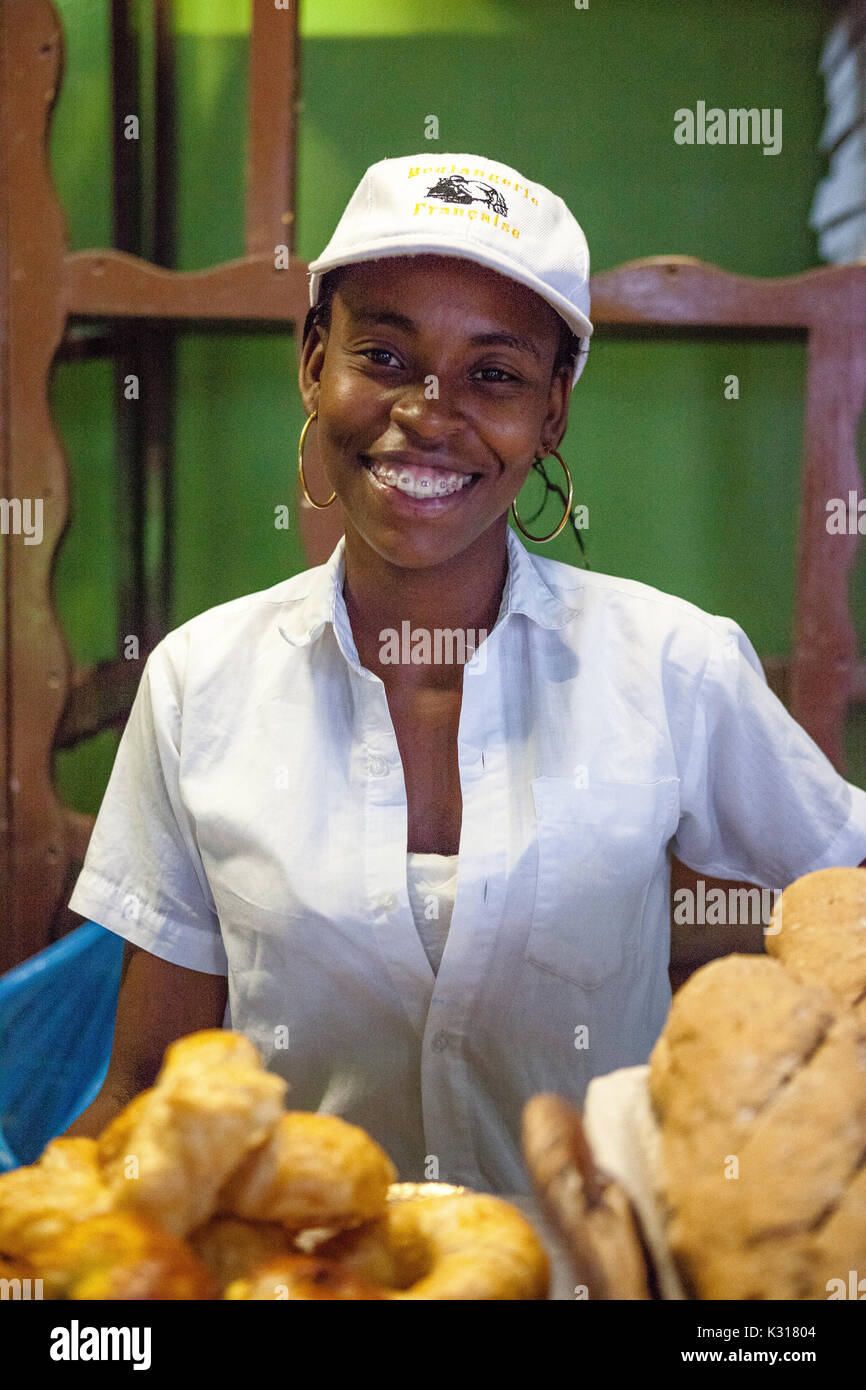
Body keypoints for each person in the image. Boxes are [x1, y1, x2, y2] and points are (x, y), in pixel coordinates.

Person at [66, 152, 866, 1193]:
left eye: (493, 373)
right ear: (314, 362)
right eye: (385, 356)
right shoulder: (198, 685)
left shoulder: (669, 666)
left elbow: (843, 880)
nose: (429, 413)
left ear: (551, 412)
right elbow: (144, 1087)